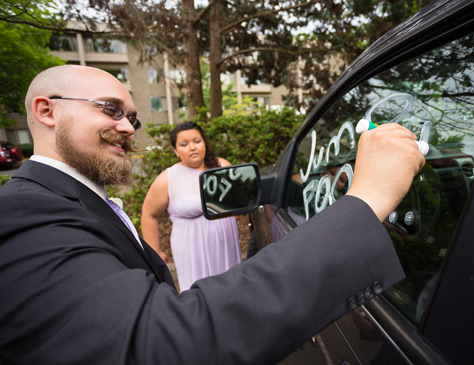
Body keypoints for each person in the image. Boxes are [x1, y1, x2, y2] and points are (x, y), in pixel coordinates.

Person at [0, 65, 424, 363]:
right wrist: (365, 201)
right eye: (110, 109)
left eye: (131, 118)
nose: (129, 128)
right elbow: (160, 346)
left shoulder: (69, 199)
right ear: (47, 110)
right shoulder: (24, 214)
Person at [141, 122, 239, 291]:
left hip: (226, 243)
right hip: (192, 250)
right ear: (175, 151)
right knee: (199, 295)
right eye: (184, 144)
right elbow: (149, 215)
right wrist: (154, 251)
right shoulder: (167, 179)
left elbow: (237, 202)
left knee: (232, 289)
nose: (192, 147)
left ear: (204, 143)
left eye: (197, 141)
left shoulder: (222, 166)